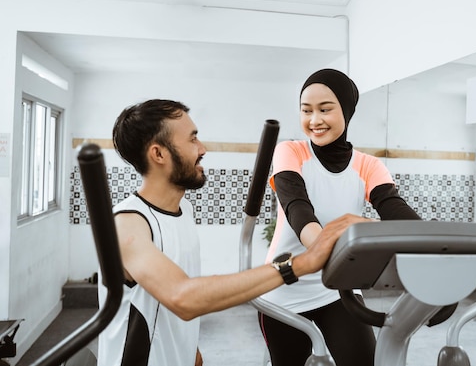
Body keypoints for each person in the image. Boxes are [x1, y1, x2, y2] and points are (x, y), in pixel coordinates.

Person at [98, 99, 364, 366]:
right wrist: (299, 264)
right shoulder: (128, 224)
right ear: (159, 154)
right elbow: (182, 296)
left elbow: (166, 300)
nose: (202, 149)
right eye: (192, 140)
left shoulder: (183, 211)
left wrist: (188, 346)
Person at [258, 69, 423, 366]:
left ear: (346, 111)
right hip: (284, 293)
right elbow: (298, 211)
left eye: (325, 109)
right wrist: (334, 245)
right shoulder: (290, 152)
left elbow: (397, 212)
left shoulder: (368, 166)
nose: (314, 120)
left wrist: (436, 251)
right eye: (306, 110)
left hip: (338, 290)